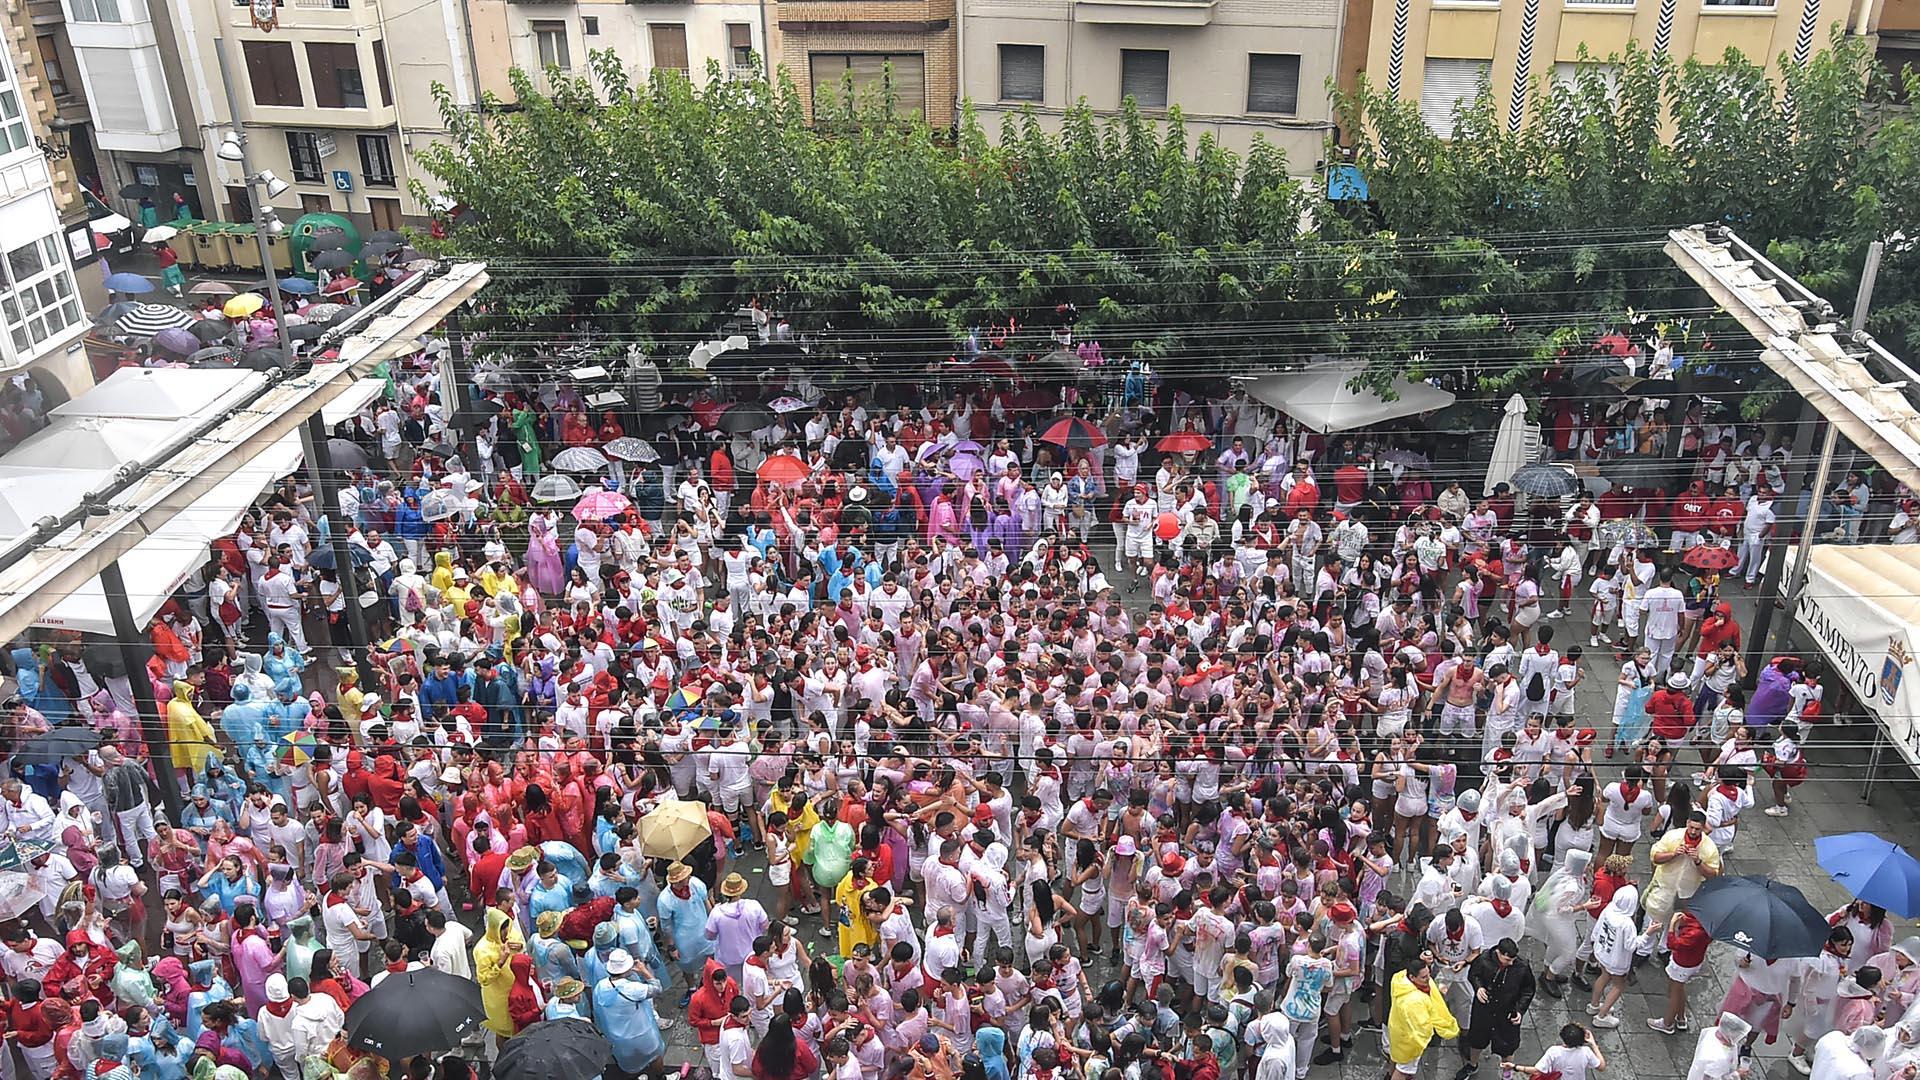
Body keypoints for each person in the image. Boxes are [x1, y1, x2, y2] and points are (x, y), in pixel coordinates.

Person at [1386, 957, 1459, 1079]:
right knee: (1403, 1070)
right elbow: (1422, 1028)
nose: (1428, 979)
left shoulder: (1400, 979)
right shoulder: (1414, 1000)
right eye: (1424, 977)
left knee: (1396, 1058)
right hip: (1410, 1039)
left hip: (1397, 1029)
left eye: (1428, 975)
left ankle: (1389, 1075)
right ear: (1412, 977)